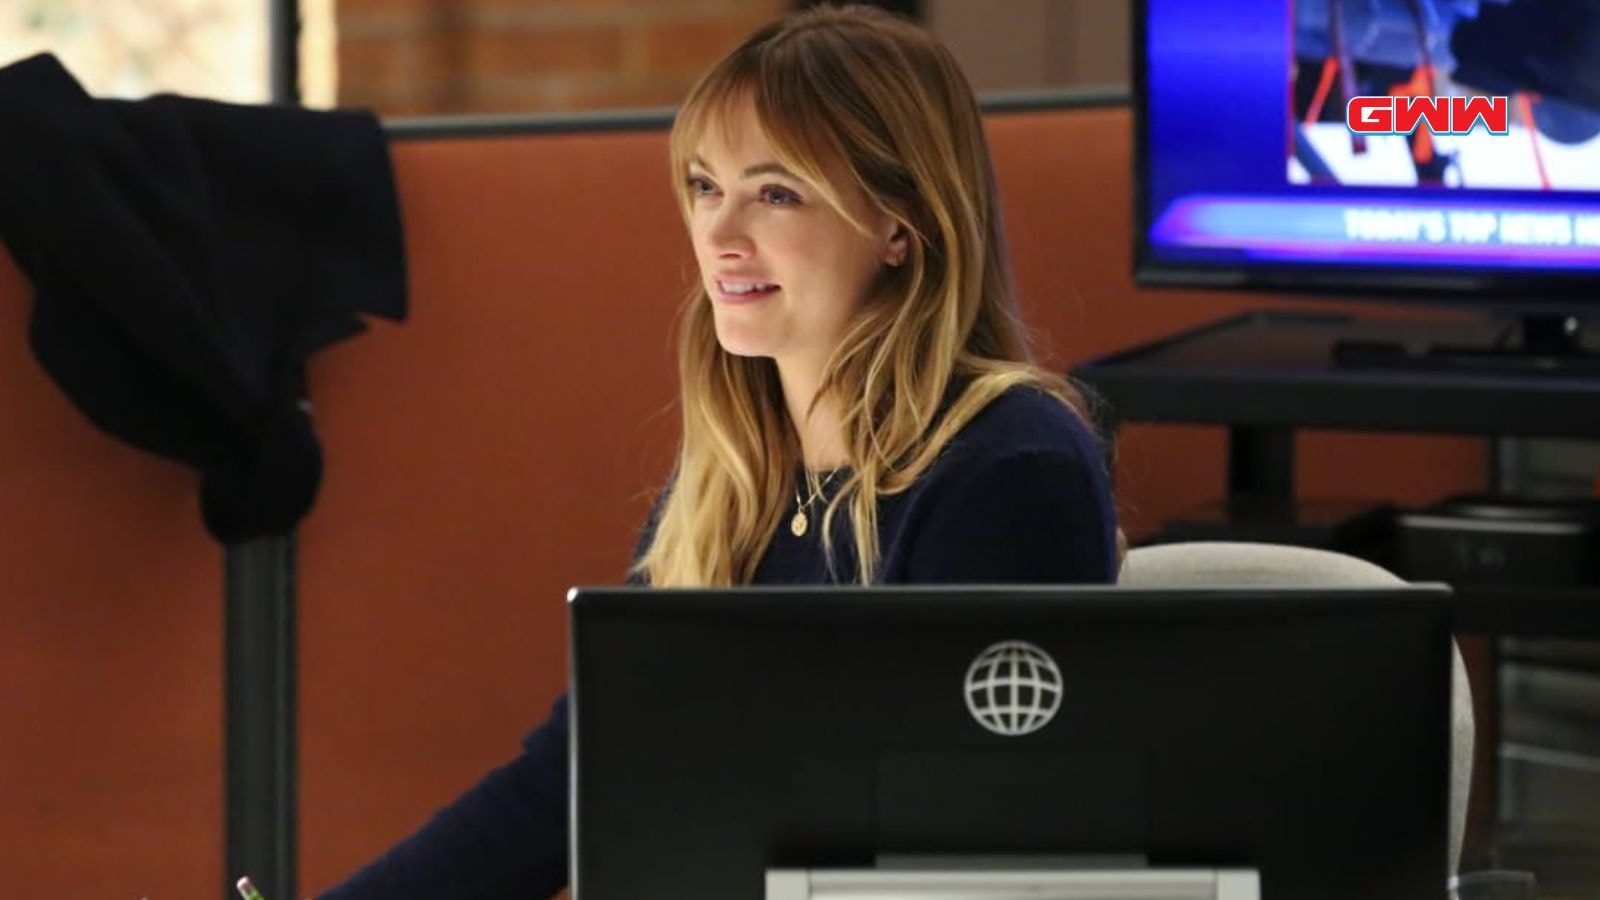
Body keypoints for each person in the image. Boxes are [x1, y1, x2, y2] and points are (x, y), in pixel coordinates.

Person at [319, 5, 1120, 898]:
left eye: (776, 193)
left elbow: (954, 852)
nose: (720, 234)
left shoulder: (1009, 471)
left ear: (901, 225)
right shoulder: (738, 472)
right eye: (706, 186)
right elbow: (578, 775)